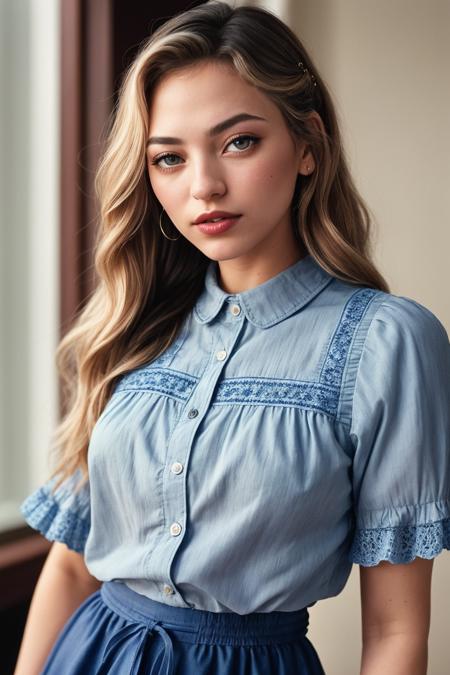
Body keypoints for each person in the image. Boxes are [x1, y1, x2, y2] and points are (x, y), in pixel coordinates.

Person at [14, 2, 449, 674]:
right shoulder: (137, 322)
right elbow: (72, 566)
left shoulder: (386, 345)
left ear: (308, 144)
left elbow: (394, 630)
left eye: (239, 142)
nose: (204, 186)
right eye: (168, 158)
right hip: (88, 654)